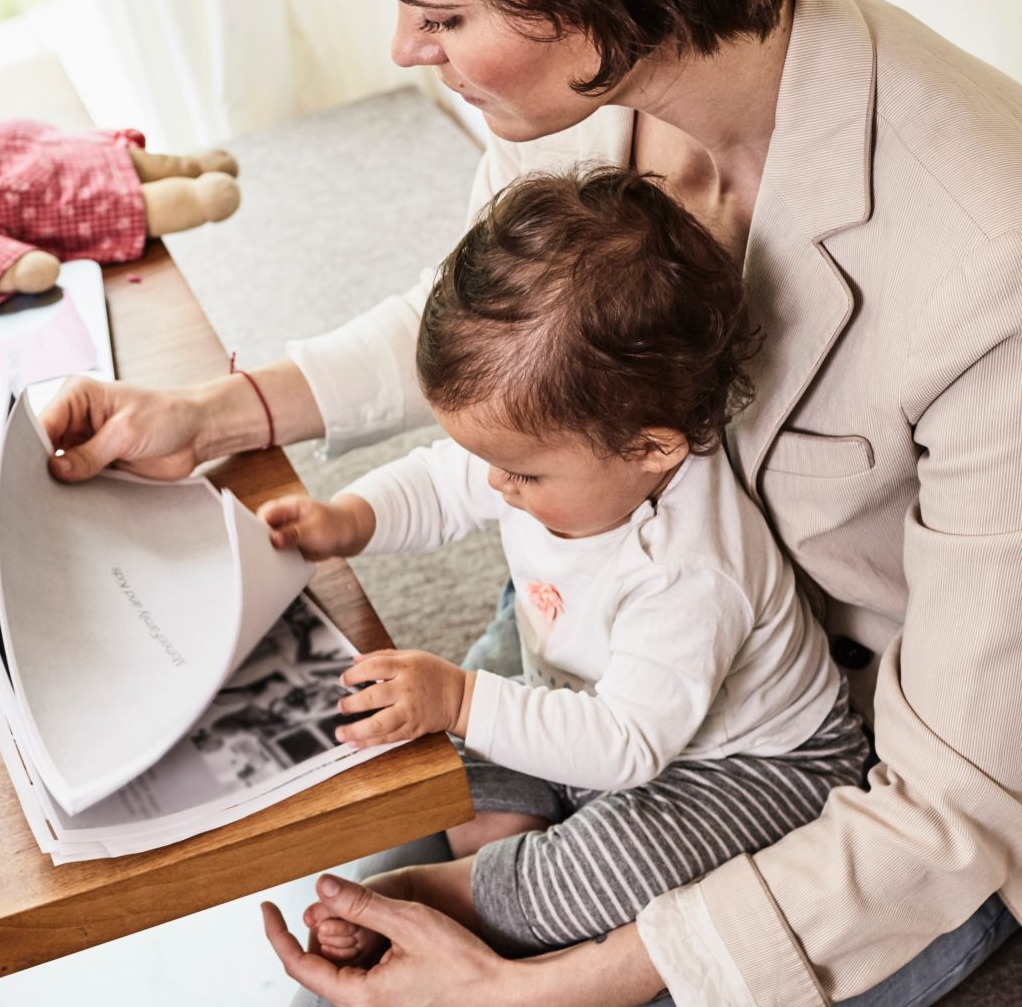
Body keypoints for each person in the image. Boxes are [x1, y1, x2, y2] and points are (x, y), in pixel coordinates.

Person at [40, 0, 1022, 1002]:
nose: (406, 46)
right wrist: (217, 412)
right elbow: (497, 333)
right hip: (612, 586)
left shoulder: (985, 271)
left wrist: (532, 986)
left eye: (443, 15)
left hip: (846, 768)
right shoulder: (596, 92)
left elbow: (957, 808)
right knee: (371, 833)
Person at [258, 165, 867, 965]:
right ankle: (490, 844)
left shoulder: (691, 570)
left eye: (524, 474)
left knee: (612, 859)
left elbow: (625, 747)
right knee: (464, 756)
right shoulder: (568, 456)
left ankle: (444, 895)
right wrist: (349, 518)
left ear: (652, 447)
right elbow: (445, 481)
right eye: (492, 461)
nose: (497, 487)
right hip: (584, 694)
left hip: (742, 763)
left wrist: (463, 698)